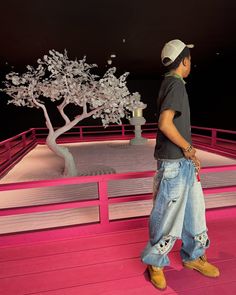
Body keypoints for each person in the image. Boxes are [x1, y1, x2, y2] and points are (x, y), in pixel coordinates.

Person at [141, 39, 220, 290]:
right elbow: (165, 124)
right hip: (174, 163)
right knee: (166, 216)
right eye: (190, 59)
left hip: (182, 163)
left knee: (194, 212)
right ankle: (155, 263)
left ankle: (194, 257)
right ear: (184, 61)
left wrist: (190, 156)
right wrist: (188, 148)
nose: (191, 63)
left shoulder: (171, 84)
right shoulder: (175, 85)